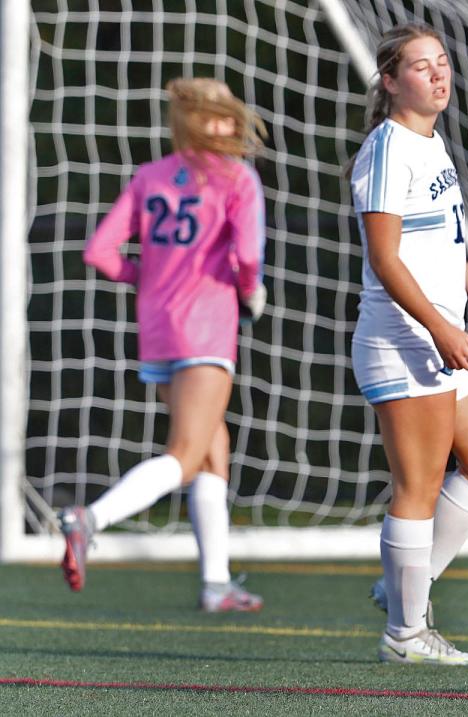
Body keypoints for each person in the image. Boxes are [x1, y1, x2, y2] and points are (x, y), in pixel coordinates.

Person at [347, 23, 468, 665]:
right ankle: (405, 634)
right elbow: (386, 258)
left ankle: (405, 587)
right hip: (402, 342)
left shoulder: (432, 143)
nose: (437, 74)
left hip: (438, 336)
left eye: (442, 63)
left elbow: (439, 247)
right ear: (392, 81)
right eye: (421, 66)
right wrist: (440, 327)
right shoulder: (388, 148)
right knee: (418, 487)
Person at [59, 77, 268, 613]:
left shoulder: (150, 176)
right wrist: (251, 292)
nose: (228, 124)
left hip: (157, 330)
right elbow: (247, 256)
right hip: (206, 329)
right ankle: (91, 519)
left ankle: (216, 584)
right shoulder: (237, 179)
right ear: (202, 121)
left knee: (210, 453)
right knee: (185, 453)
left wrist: (143, 276)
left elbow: (99, 252)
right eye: (219, 115)